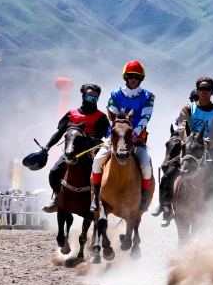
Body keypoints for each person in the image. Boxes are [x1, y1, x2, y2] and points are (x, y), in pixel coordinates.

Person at [89, 60, 155, 212]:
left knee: (146, 166)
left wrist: (135, 133)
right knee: (97, 160)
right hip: (115, 138)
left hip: (137, 140)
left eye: (137, 76)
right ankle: (95, 197)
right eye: (130, 75)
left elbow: (146, 117)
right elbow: (112, 115)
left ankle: (143, 200)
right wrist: (117, 136)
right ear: (125, 77)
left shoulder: (148, 96)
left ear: (141, 78)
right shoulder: (115, 95)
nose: (133, 79)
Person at [41, 84, 110, 213]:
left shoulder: (101, 117)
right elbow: (59, 133)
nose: (92, 100)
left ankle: (103, 201)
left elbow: (105, 135)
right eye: (90, 97)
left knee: (104, 174)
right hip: (71, 151)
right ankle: (56, 199)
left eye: (95, 98)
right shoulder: (71, 114)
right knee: (54, 171)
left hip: (90, 152)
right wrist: (46, 147)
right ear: (83, 96)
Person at [176, 77, 213, 220]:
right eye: (201, 89)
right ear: (197, 91)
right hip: (188, 147)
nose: (204, 92)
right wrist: (189, 141)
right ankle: (166, 204)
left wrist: (203, 144)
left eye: (207, 89)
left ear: (212, 92)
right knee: (168, 167)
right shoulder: (187, 109)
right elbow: (182, 127)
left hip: (209, 149)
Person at [150, 89, 199, 225]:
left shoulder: (208, 114)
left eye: (197, 99)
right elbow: (177, 135)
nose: (195, 101)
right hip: (184, 157)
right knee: (166, 177)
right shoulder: (183, 116)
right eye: (193, 99)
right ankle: (165, 208)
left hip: (201, 155)